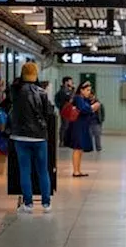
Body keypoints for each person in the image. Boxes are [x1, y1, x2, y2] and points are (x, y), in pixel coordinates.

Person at [10, 62, 53, 212]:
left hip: (20, 137)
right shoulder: (42, 92)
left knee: (24, 170)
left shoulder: (15, 90)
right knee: (43, 170)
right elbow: (48, 113)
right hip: (39, 137)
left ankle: (28, 204)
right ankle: (46, 203)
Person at [63, 80, 100, 176]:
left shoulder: (83, 99)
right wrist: (93, 107)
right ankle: (75, 171)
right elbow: (84, 109)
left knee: (80, 149)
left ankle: (78, 170)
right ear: (81, 90)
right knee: (77, 148)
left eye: (90, 90)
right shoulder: (78, 98)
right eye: (87, 90)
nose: (89, 92)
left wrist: (91, 105)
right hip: (77, 126)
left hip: (82, 126)